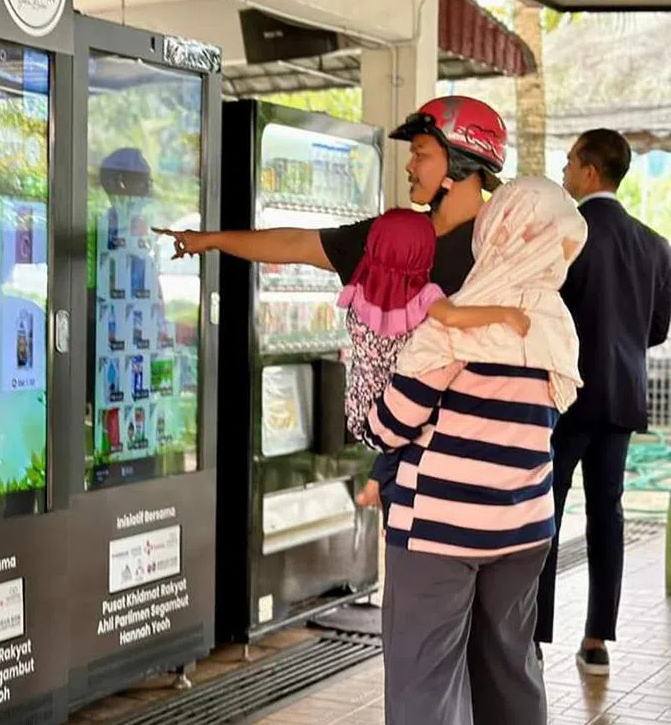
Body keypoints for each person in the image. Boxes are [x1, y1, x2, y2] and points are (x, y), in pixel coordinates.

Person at [156, 95, 509, 509]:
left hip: (491, 455)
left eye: (420, 154)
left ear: (460, 162)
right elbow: (299, 243)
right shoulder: (391, 240)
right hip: (413, 457)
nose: (410, 166)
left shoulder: (504, 243)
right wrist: (210, 240)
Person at [366, 175, 586, 724]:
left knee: (427, 680)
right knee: (510, 666)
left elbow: (391, 426)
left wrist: (370, 403)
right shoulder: (558, 325)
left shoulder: (456, 321)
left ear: (495, 231)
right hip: (526, 528)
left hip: (440, 530)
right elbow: (548, 412)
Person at [534, 129, 671, 675]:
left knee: (544, 510)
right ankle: (597, 640)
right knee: (607, 515)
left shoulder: (566, 238)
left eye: (570, 161)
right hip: (622, 397)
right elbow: (657, 330)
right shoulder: (655, 244)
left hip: (564, 396)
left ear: (591, 171)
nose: (565, 170)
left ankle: (534, 634)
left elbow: (545, 314)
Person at [336, 207, 530, 469]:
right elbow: (452, 318)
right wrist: (505, 314)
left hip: (358, 409)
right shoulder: (424, 293)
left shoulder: (362, 283)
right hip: (396, 411)